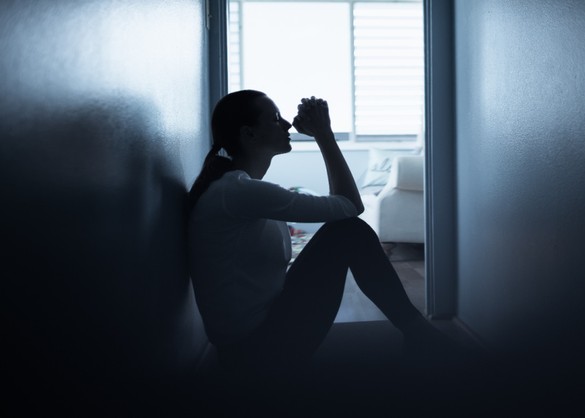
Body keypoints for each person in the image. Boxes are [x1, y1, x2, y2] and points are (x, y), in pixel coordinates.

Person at [187, 90, 453, 382]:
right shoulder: (239, 191)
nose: (287, 124)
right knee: (347, 230)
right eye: (276, 119)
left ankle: (416, 332)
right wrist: (324, 134)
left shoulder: (236, 188)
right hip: (254, 352)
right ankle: (418, 332)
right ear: (249, 134)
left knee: (345, 230)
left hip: (248, 343)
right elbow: (351, 205)